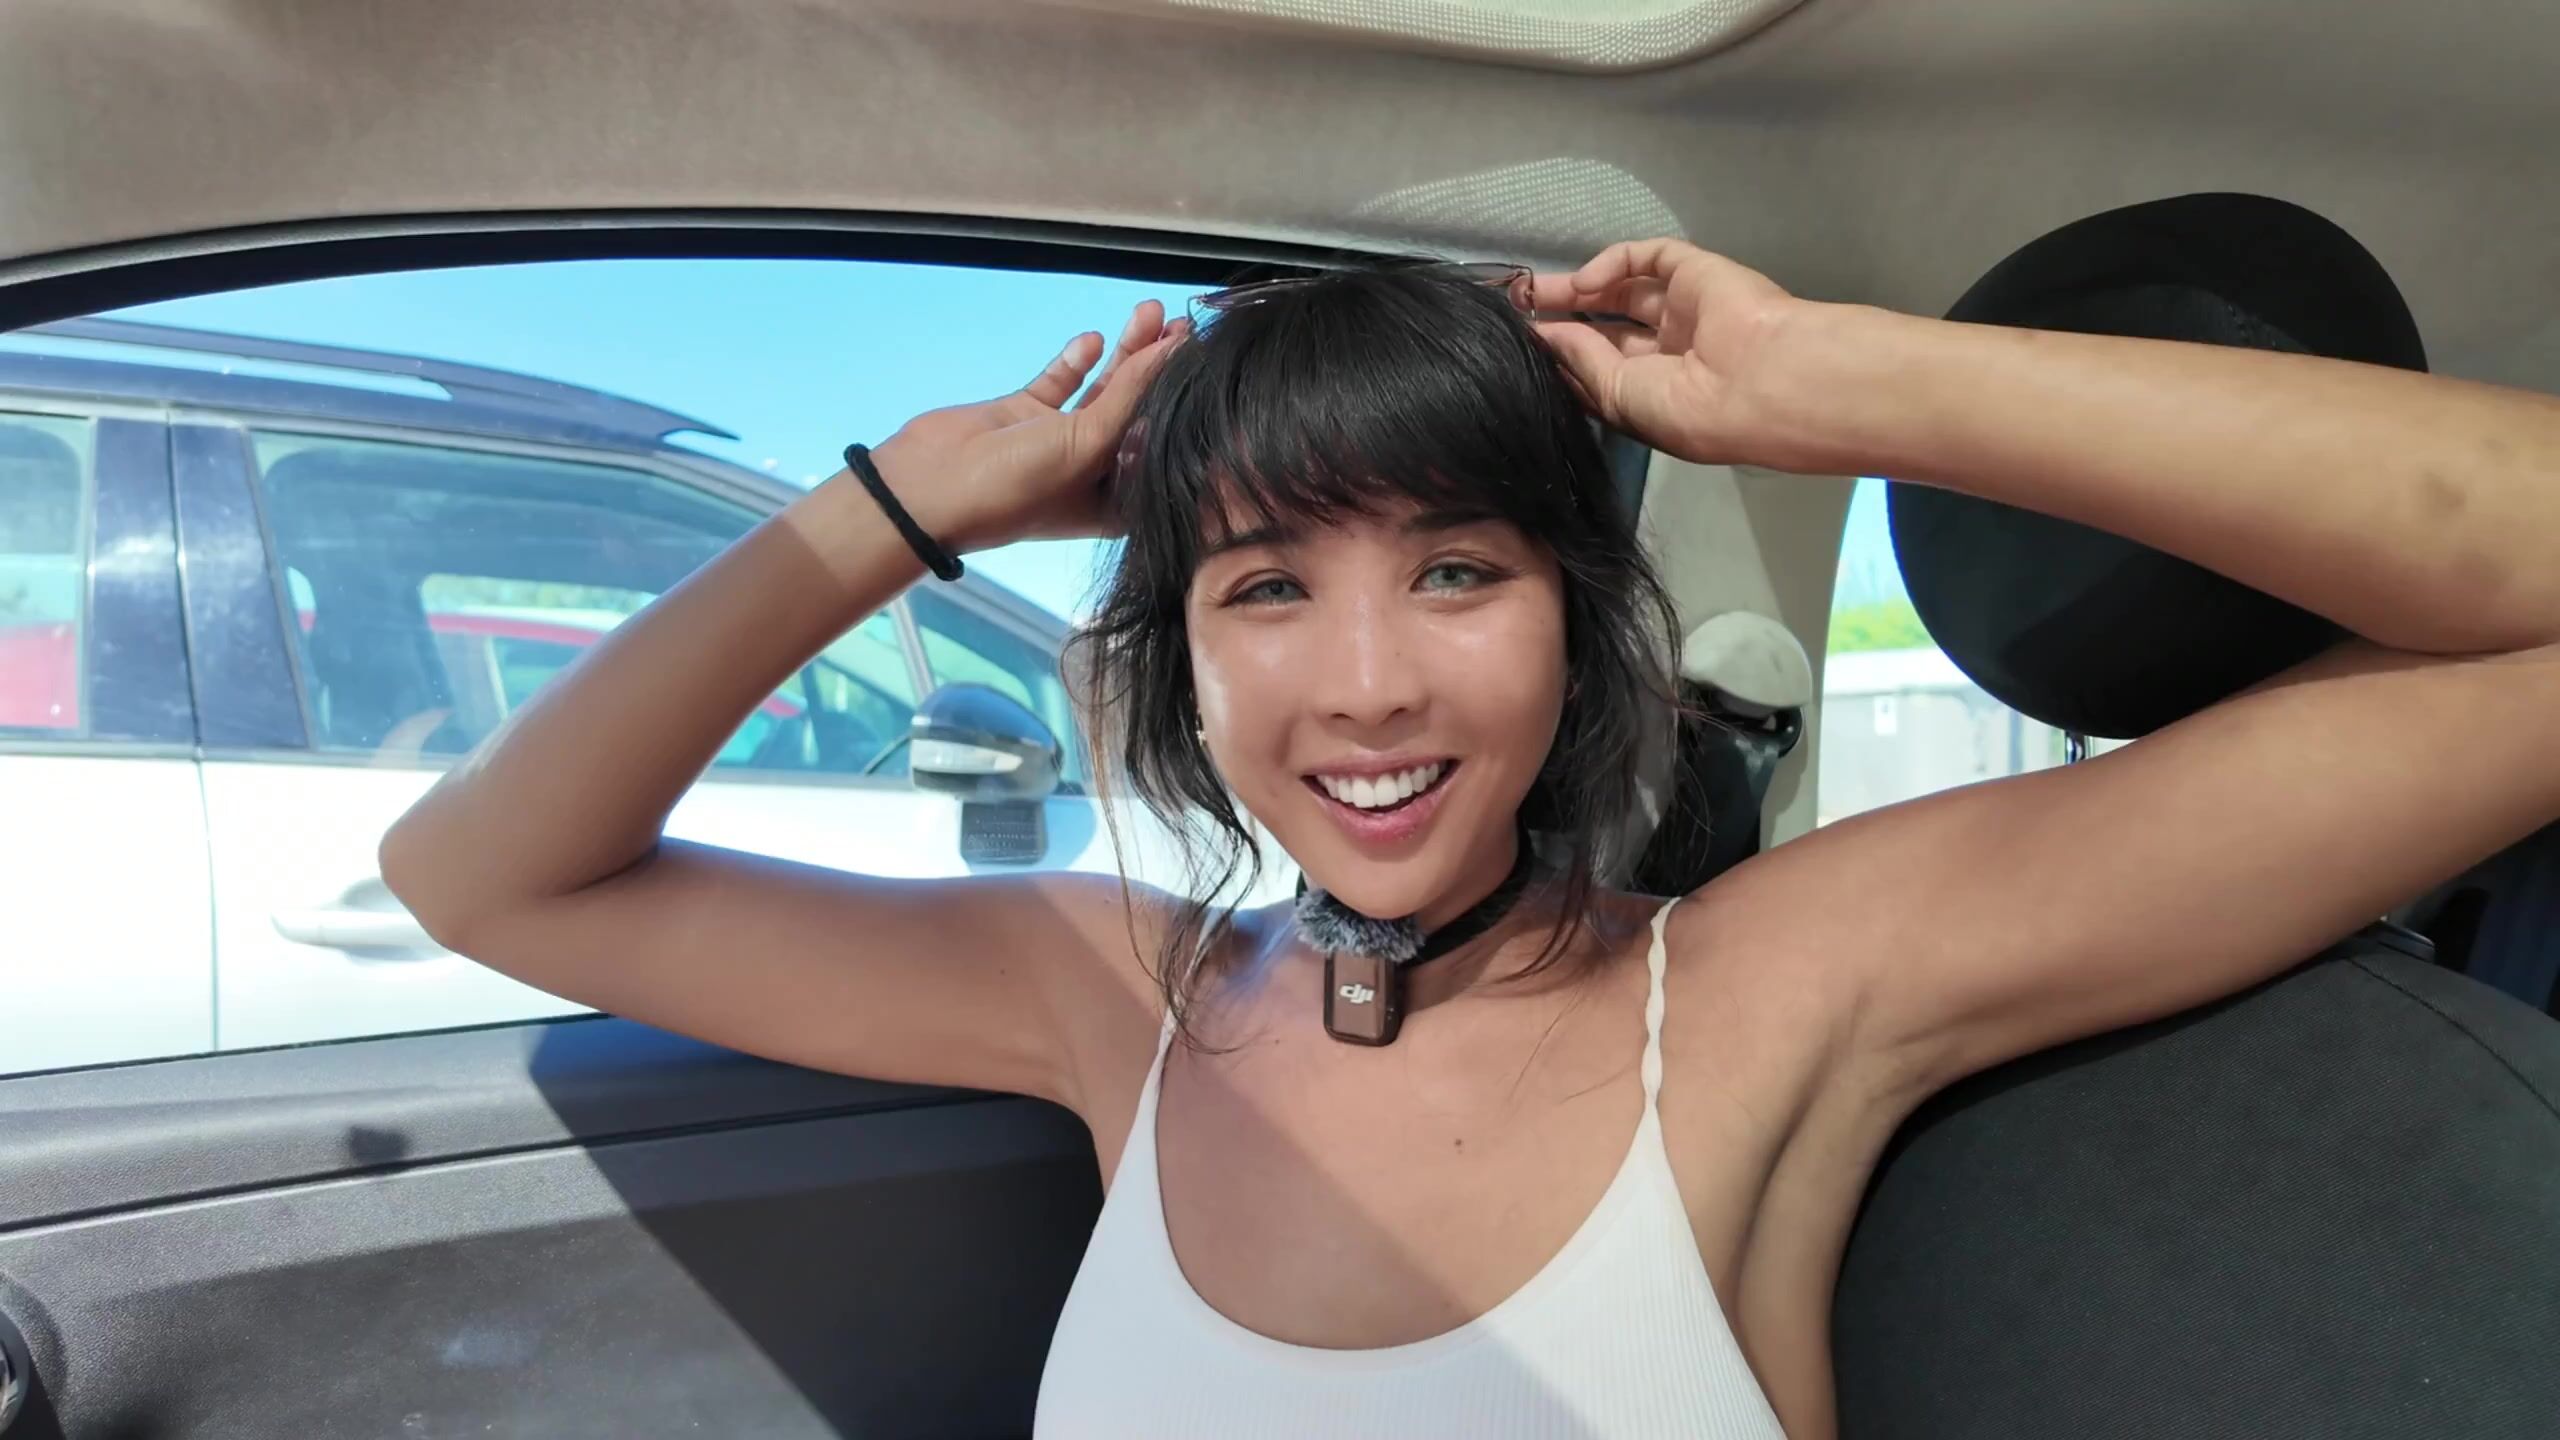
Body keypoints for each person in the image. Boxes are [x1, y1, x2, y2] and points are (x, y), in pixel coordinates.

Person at [379, 239, 2560, 1438]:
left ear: (1576, 617)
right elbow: (482, 876)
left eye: (1454, 571)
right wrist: (899, 507)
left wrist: (1832, 386)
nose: (1367, 688)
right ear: (1178, 655)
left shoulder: (1771, 980)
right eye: (1263, 587)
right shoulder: (1108, 992)